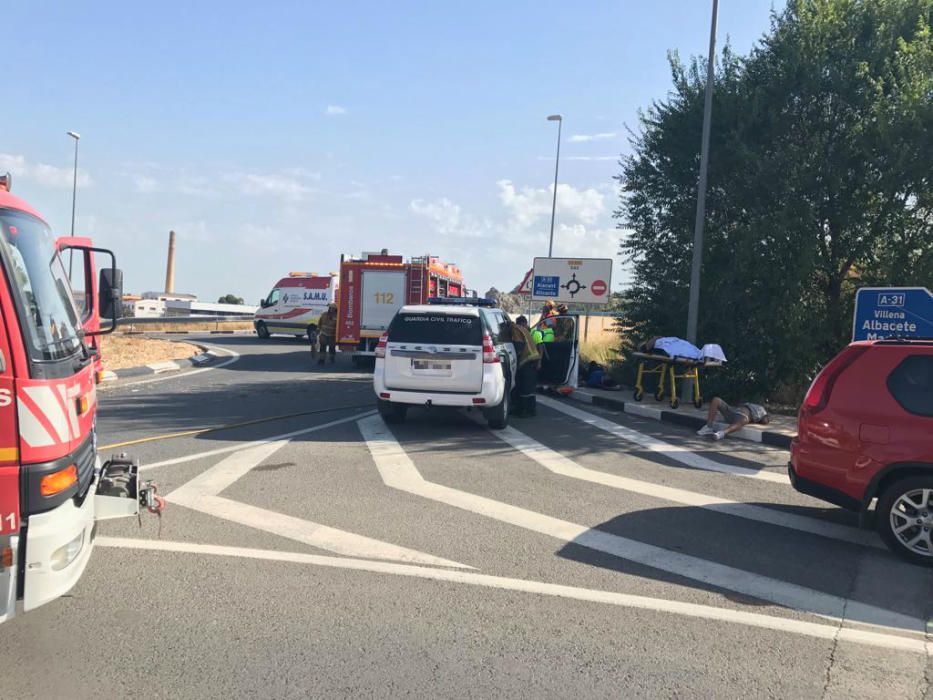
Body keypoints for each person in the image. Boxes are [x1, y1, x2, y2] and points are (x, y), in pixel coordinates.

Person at [697, 397, 769, 440]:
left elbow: (765, 421)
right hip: (733, 411)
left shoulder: (762, 412)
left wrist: (757, 420)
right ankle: (709, 427)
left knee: (744, 420)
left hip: (741, 417)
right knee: (716, 400)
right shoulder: (754, 406)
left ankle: (721, 433)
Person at [510, 315, 541, 417]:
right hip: (533, 360)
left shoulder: (516, 329)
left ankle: (523, 411)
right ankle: (531, 410)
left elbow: (519, 347)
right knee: (530, 388)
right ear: (524, 323)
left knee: (523, 387)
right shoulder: (526, 330)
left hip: (526, 361)